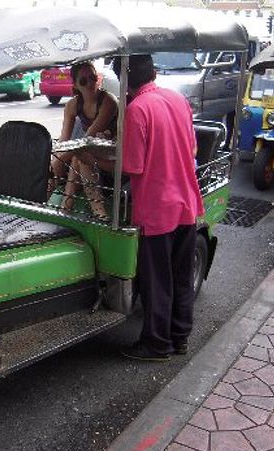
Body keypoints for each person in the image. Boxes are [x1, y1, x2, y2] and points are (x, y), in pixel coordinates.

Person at [116, 55, 203, 362]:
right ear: (153, 72)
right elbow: (192, 148)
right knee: (180, 276)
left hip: (157, 210)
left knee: (158, 281)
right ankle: (179, 338)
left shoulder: (137, 109)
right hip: (186, 203)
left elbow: (132, 166)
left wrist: (92, 156)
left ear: (124, 81)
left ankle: (156, 344)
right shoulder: (177, 99)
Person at [48, 62, 117, 213]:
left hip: (110, 154)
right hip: (87, 151)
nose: (90, 83)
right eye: (84, 81)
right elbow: (64, 140)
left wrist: (60, 158)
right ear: (76, 85)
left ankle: (68, 205)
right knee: (68, 159)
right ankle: (43, 202)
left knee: (78, 156)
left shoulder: (108, 102)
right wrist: (56, 158)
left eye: (93, 78)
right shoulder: (72, 105)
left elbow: (87, 139)